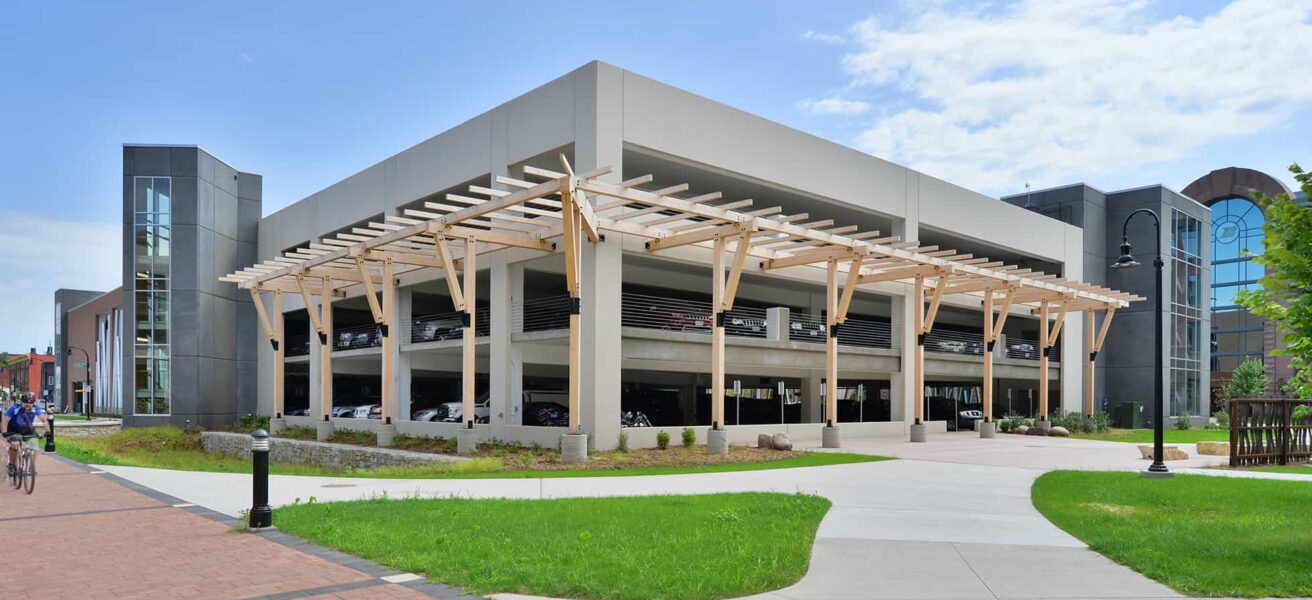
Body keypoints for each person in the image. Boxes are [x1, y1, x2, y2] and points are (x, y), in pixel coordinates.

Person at [2, 393, 49, 476]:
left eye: (30, 403)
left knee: (34, 446)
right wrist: (4, 432)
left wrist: (48, 431)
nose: (28, 404)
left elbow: (44, 420)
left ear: (33, 403)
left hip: (28, 430)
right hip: (14, 430)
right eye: (26, 402)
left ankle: (31, 468)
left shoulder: (35, 408)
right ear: (21, 402)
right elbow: (5, 420)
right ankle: (11, 464)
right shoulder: (15, 408)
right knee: (15, 445)